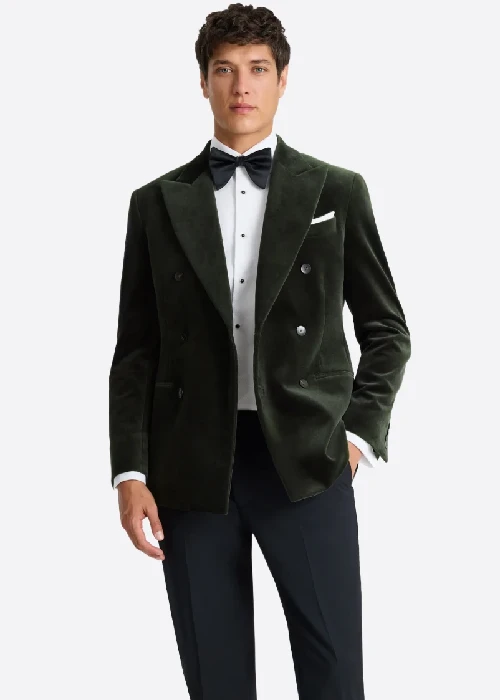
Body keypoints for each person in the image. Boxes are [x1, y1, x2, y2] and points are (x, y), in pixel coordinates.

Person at [108, 4, 411, 698]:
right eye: (224, 70)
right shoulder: (156, 203)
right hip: (191, 466)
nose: (241, 85)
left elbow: (388, 330)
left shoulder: (337, 191)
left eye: (257, 69)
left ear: (282, 79)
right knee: (216, 681)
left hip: (306, 459)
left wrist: (356, 436)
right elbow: (136, 351)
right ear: (203, 82)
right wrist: (130, 471)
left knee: (334, 675)